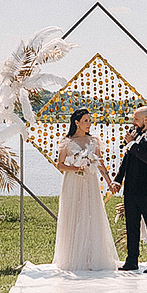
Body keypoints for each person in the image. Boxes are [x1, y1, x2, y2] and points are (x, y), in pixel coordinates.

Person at [52, 107, 119, 271]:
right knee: (74, 214)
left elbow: (100, 163)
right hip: (73, 183)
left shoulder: (93, 141)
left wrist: (110, 182)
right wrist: (76, 168)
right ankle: (73, 256)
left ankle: (92, 256)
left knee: (91, 214)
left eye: (90, 121)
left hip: (91, 182)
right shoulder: (67, 142)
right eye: (86, 121)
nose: (89, 124)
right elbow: (60, 165)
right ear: (77, 123)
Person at [112, 106, 147, 273]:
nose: (133, 122)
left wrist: (133, 144)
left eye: (136, 119)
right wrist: (118, 180)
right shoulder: (135, 135)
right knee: (131, 225)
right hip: (130, 189)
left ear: (146, 120)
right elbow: (127, 160)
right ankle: (132, 260)